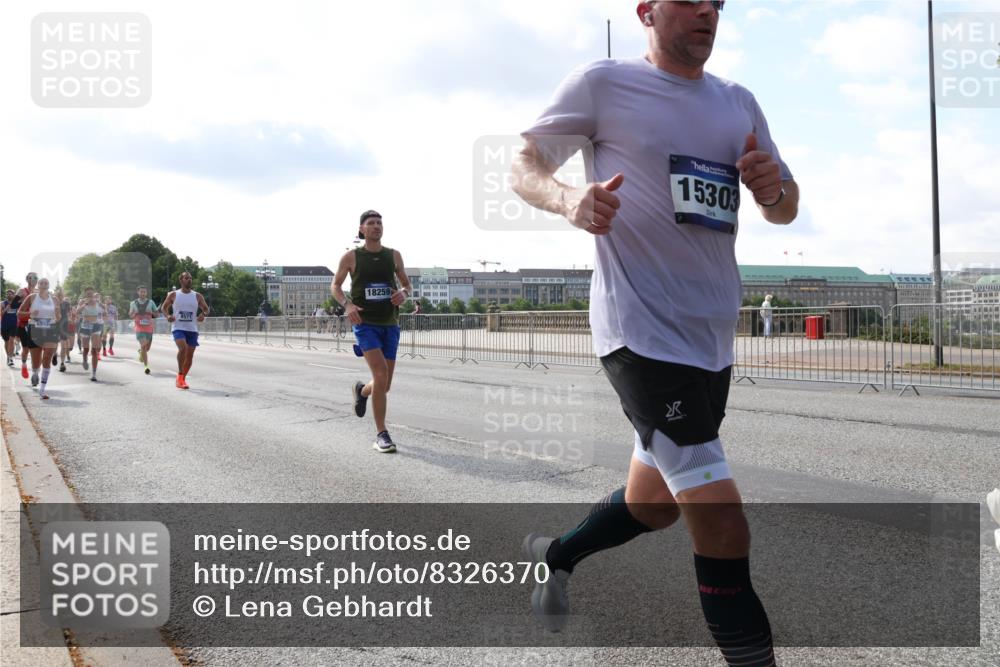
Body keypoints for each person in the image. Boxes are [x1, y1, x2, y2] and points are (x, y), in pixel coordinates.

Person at [511, 2, 798, 665]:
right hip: (638, 334)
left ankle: (554, 557)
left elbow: (785, 207)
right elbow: (524, 163)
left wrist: (774, 189)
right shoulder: (603, 84)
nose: (707, 10)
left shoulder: (738, 102)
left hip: (710, 343)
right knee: (721, 519)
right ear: (646, 9)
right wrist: (566, 200)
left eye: (718, 2)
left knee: (655, 505)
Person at [331, 210, 412, 453]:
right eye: (371, 223)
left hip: (390, 323)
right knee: (380, 373)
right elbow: (335, 285)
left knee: (383, 385)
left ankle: (361, 391)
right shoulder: (351, 256)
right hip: (365, 324)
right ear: (362, 229)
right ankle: (381, 434)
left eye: (379, 223)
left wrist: (404, 293)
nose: (376, 226)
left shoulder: (394, 256)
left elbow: (407, 284)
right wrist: (347, 305)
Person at [160, 272, 210, 389]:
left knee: (190, 356)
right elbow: (164, 307)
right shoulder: (173, 294)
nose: (189, 280)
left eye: (191, 278)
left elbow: (206, 309)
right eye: (187, 278)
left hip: (192, 329)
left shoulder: (197, 296)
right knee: (183, 348)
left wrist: (203, 314)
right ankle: (181, 374)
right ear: (181, 280)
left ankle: (181, 379)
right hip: (178, 327)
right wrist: (167, 316)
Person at [17, 278, 61, 399]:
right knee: (36, 362)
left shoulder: (55, 299)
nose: (43, 284)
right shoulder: (31, 297)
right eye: (41, 283)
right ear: (38, 285)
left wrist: (57, 314)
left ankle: (42, 389)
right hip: (35, 330)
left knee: (47, 358)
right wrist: (30, 314)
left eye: (46, 283)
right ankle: (35, 372)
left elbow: (58, 317)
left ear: (48, 285)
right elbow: (19, 313)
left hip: (51, 329)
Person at [75, 288, 104, 381]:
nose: (90, 295)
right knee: (86, 349)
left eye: (91, 294)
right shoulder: (82, 302)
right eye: (88, 294)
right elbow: (77, 311)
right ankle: (84, 358)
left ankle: (94, 373)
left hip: (96, 325)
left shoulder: (97, 302)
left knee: (95, 350)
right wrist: (84, 304)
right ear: (85, 294)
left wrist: (104, 312)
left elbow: (105, 310)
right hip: (85, 326)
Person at [129, 286, 159, 375]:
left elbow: (156, 314)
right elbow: (130, 315)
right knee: (143, 345)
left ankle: (141, 352)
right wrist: (135, 313)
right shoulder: (133, 303)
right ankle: (146, 366)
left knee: (147, 348)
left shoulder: (151, 302)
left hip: (149, 327)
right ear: (138, 292)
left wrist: (152, 313)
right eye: (141, 292)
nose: (143, 293)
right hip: (139, 327)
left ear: (146, 293)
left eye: (144, 292)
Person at [14, 273, 39, 379]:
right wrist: (25, 302)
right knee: (26, 349)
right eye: (30, 277)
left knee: (37, 349)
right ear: (27, 279)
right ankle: (24, 365)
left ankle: (35, 372)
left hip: (36, 324)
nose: (33, 279)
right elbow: (13, 305)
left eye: (35, 278)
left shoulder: (38, 292)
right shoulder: (22, 291)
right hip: (23, 322)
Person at [54, 287, 73, 371]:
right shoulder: (52, 302)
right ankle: (54, 354)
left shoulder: (66, 304)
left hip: (64, 325)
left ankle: (62, 363)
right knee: (54, 343)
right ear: (56, 295)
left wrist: (70, 319)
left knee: (63, 345)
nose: (60, 296)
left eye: (61, 295)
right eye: (58, 295)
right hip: (54, 324)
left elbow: (69, 313)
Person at [2, 289, 18, 367]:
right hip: (4, 325)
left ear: (14, 295)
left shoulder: (17, 303)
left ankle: (10, 358)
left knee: (11, 340)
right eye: (7, 294)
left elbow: (20, 312)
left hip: (13, 325)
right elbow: (0, 314)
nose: (9, 295)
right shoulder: (2, 303)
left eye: (11, 294)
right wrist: (5, 309)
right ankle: (8, 356)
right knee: (6, 342)